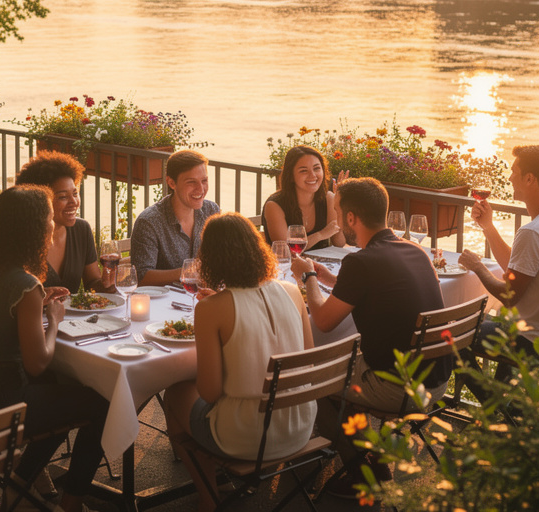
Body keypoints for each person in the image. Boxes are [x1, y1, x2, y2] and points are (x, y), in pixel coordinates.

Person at [289, 177, 447, 490]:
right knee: (342, 361)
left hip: (400, 387)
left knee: (317, 377)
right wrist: (332, 279)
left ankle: (367, 476)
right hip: (437, 379)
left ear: (351, 218)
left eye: (337, 212)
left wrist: (307, 276)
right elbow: (378, 287)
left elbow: (322, 321)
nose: (335, 219)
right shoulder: (414, 250)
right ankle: (362, 455)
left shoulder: (360, 262)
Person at [0, 185, 107, 512]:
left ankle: (20, 485)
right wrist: (53, 319)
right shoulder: (25, 285)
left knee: (62, 393)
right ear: (34, 229)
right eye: (49, 219)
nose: (52, 225)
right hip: (7, 407)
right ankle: (72, 502)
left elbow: (2, 319)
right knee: (100, 403)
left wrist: (38, 303)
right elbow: (38, 362)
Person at [163, 213, 314, 509]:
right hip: (299, 425)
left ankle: (209, 496)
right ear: (257, 248)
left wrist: (215, 307)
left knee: (176, 393)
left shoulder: (211, 309)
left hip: (244, 437)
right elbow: (305, 360)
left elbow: (209, 392)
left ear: (211, 258)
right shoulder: (293, 291)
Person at [458, 145, 539, 379]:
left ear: (529, 178)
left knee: (450, 335)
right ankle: (507, 410)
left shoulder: (533, 232)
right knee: (471, 326)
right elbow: (518, 270)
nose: (509, 178)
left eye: (514, 172)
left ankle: (493, 409)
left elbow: (509, 297)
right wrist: (488, 227)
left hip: (528, 341)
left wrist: (477, 267)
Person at [14, 150, 108, 293]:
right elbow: (12, 297)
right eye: (63, 197)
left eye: (75, 194)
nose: (74, 202)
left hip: (73, 316)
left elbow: (92, 283)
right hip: (34, 315)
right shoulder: (23, 238)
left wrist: (109, 283)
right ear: (40, 200)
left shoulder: (81, 230)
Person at [129, 150, 221, 286]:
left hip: (204, 297)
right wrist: (188, 271)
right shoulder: (149, 222)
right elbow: (141, 276)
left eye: (204, 181)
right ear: (172, 183)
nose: (201, 189)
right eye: (191, 182)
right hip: (164, 303)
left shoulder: (211, 211)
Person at [262, 145, 346, 250]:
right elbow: (286, 250)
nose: (313, 175)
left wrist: (340, 206)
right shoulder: (274, 205)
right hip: (286, 265)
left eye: (316, 168)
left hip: (320, 265)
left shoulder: (328, 198)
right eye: (303, 171)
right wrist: (321, 235)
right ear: (291, 176)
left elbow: (339, 243)